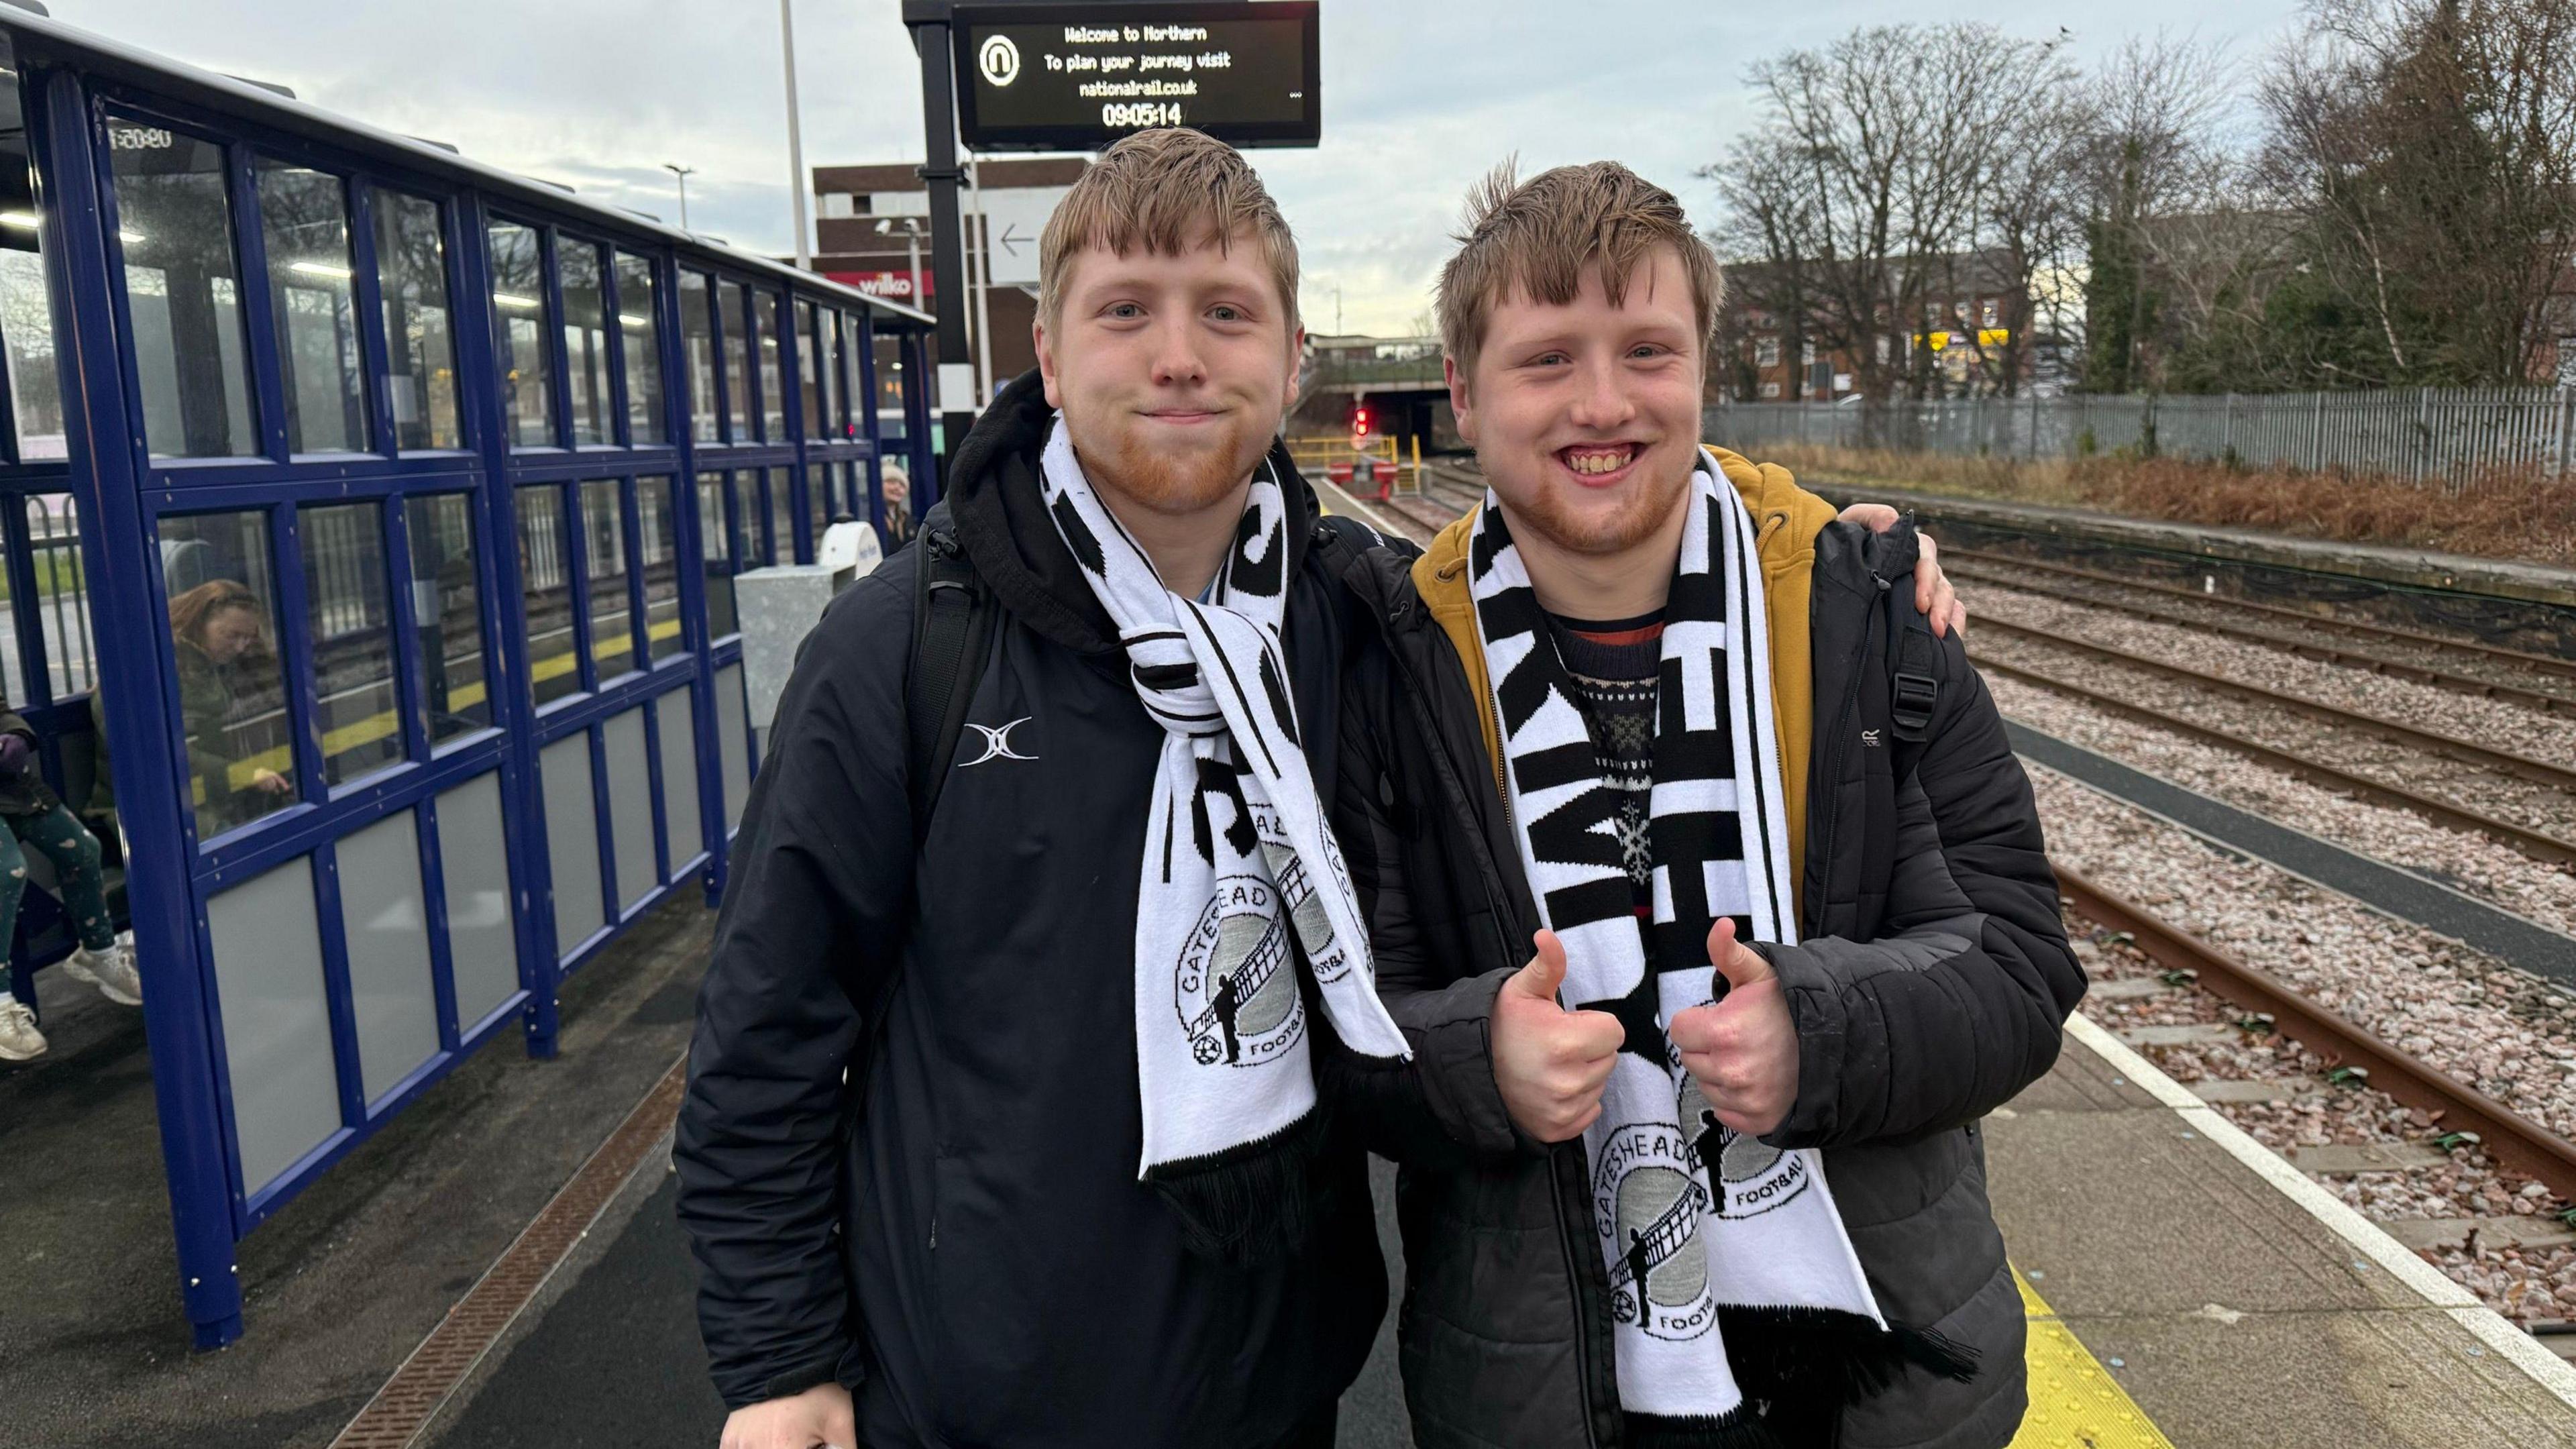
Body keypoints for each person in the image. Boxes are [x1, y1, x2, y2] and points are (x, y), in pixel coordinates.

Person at [674, 127, 1955, 1449]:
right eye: (1126, 312)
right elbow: (766, 1030)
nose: (1179, 354)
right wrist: (780, 1364)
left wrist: (1815, 538)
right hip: (975, 1402)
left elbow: (1568, 534)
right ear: (1048, 358)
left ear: (1292, 361)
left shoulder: (1348, 617)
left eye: (1225, 313)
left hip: (1274, 1391)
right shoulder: (904, 648)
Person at [1329, 162, 2082, 1449]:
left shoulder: (1868, 623)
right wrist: (1476, 1064)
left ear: (1702, 366)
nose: (1604, 402)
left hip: (1872, 1381)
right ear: (1461, 392)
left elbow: (2017, 970)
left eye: (1648, 351)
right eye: (1548, 359)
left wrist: (1824, 1036)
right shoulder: (1395, 662)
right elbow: (1352, 1025)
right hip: (1547, 1388)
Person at [0, 690, 142, 1063]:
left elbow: (2, 710)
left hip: (10, 786)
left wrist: (18, 736)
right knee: (7, 871)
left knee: (82, 850)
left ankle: (98, 952)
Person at [165, 580, 292, 833]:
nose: (240, 647)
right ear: (200, 622)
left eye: (248, 638)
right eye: (232, 636)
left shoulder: (213, 663)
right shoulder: (166, 665)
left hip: (207, 793)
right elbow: (165, 754)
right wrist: (243, 774)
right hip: (167, 804)